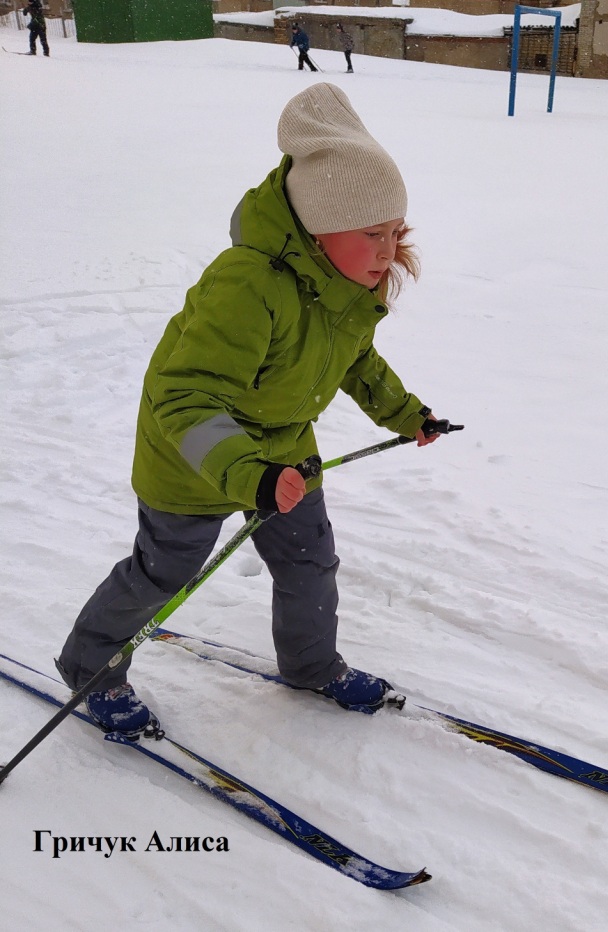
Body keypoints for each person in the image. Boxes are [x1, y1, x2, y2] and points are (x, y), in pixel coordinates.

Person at [56, 82, 447, 739]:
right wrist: (250, 475)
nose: (388, 252)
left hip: (283, 447)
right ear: (321, 227)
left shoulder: (345, 286)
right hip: (192, 455)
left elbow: (352, 359)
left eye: (395, 232)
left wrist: (408, 414)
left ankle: (311, 665)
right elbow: (187, 396)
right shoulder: (246, 285)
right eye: (372, 233)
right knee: (165, 570)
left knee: (307, 561)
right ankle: (91, 665)